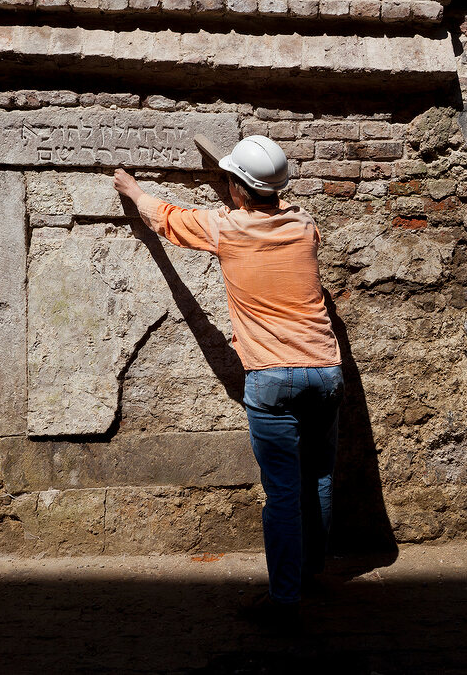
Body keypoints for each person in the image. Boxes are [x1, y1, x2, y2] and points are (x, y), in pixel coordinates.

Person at [113, 135, 343, 625]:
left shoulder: (226, 229)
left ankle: (284, 602)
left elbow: (169, 218)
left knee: (282, 493)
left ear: (237, 190)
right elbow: (269, 204)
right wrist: (240, 176)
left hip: (272, 377)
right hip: (326, 371)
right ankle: (310, 575)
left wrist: (133, 190)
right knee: (319, 475)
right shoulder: (305, 227)